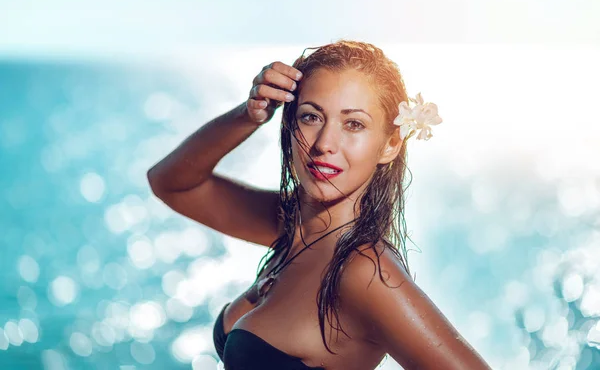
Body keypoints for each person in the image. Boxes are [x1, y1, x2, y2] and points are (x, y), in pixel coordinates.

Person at [147, 40, 491, 369]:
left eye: (353, 124)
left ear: (389, 145)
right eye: (311, 117)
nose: (325, 143)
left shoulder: (365, 273)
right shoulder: (291, 225)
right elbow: (171, 184)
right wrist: (248, 115)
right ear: (290, 121)